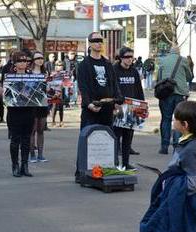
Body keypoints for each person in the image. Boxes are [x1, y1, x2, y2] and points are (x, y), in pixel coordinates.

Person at [140, 101, 196, 232]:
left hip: (184, 202)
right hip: (178, 199)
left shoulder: (192, 148)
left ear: (185, 125)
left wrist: (170, 184)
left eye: (175, 119)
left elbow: (195, 182)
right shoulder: (187, 142)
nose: (173, 121)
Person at [75, 32, 123, 183]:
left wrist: (117, 100)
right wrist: (88, 103)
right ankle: (81, 172)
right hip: (91, 108)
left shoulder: (108, 64)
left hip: (107, 107)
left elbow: (114, 84)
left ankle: (104, 168)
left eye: (100, 41)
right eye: (95, 40)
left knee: (107, 139)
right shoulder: (83, 65)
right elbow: (83, 86)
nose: (98, 43)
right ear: (89, 43)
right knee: (86, 138)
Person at [113, 47, 145, 170]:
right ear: (121, 58)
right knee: (116, 137)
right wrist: (113, 104)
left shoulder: (134, 72)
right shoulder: (114, 70)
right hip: (119, 107)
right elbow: (111, 88)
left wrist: (142, 106)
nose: (130, 59)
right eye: (127, 57)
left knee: (128, 138)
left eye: (131, 57)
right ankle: (115, 163)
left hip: (132, 108)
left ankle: (125, 163)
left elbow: (139, 90)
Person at [157, 46, 192, 154]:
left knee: (165, 119)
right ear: (178, 52)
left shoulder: (162, 60)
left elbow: (159, 77)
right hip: (180, 94)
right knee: (179, 119)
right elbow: (189, 76)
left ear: (169, 52)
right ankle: (177, 145)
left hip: (166, 93)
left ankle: (164, 146)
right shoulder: (183, 60)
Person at [6, 51, 34, 177]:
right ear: (15, 63)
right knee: (15, 139)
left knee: (26, 139)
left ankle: (25, 165)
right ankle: (15, 165)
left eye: (25, 61)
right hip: (14, 112)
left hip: (28, 111)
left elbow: (38, 93)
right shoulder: (9, 76)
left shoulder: (32, 76)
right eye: (20, 61)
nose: (23, 63)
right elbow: (6, 95)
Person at [29, 51, 49, 163]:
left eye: (42, 58)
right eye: (37, 58)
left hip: (43, 104)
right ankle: (32, 154)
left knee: (41, 130)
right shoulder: (29, 74)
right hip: (32, 104)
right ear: (33, 60)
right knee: (32, 130)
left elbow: (50, 89)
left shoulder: (46, 74)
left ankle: (40, 154)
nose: (40, 60)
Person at [50, 60, 66, 127]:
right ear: (55, 66)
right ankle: (53, 121)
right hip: (55, 91)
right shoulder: (53, 73)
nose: (59, 67)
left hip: (62, 91)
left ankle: (61, 121)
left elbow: (67, 82)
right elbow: (50, 82)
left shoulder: (65, 73)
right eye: (58, 65)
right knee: (54, 106)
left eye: (61, 65)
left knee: (61, 107)